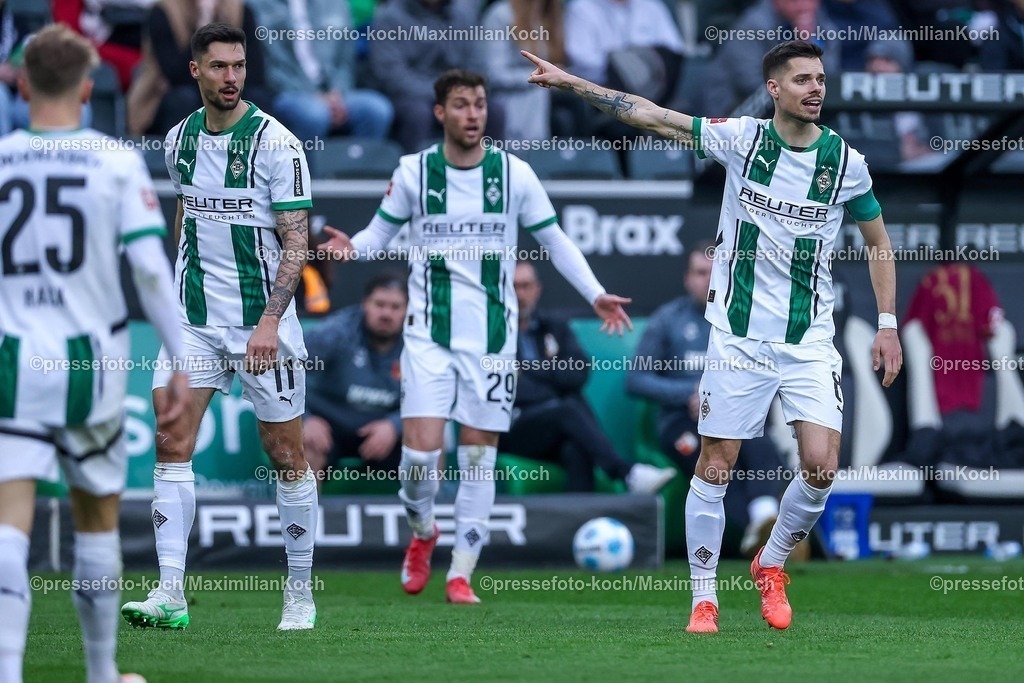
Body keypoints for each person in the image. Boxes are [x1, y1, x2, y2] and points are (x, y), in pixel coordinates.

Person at [523, 40, 902, 633]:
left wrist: (887, 324)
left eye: (820, 79)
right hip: (738, 339)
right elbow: (651, 115)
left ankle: (770, 563)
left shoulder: (845, 163)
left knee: (822, 467)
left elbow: (879, 243)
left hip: (807, 339)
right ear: (774, 89)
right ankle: (704, 598)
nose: (816, 88)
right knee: (717, 464)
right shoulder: (742, 139)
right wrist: (573, 83)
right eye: (802, 79)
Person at [319, 69, 633, 604]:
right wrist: (354, 247)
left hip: (492, 340)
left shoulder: (513, 174)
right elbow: (379, 233)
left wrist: (595, 293)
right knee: (420, 460)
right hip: (428, 337)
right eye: (462, 104)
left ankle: (461, 573)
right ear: (440, 112)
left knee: (477, 457)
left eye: (480, 104)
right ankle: (423, 531)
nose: (473, 114)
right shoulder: (415, 171)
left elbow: (555, 240)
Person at [0, 24, 188, 683]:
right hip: (91, 365)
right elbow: (151, 272)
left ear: (22, 86)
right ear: (88, 88)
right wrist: (180, 361)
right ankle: (102, 674)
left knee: (8, 526)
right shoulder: (114, 161)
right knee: (97, 521)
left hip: (13, 363)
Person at [119, 22, 319, 631]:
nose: (232, 77)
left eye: (239, 66)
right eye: (219, 66)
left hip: (262, 324)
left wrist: (269, 322)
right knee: (170, 441)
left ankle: (300, 593)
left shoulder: (277, 145)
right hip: (195, 321)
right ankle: (170, 593)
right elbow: (186, 214)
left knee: (285, 454)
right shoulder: (178, 139)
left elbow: (296, 242)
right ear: (195, 71)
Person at [627, 245, 785, 557]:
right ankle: (765, 540)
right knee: (714, 463)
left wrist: (725, 393)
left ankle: (765, 520)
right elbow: (636, 379)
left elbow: (770, 373)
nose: (708, 280)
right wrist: (689, 392)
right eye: (700, 272)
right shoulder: (667, 320)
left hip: (735, 415)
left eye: (715, 272)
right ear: (687, 278)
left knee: (763, 447)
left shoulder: (745, 321)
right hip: (681, 424)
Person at [500, 262, 676, 493]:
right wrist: (553, 380)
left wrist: (529, 369)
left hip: (552, 429)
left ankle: (580, 514)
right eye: (514, 287)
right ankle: (625, 473)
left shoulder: (555, 327)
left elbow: (577, 374)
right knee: (568, 407)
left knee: (575, 447)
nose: (520, 294)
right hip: (512, 428)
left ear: (537, 289)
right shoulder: (495, 333)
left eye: (526, 286)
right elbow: (512, 390)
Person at [304, 272, 408, 482]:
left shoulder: (418, 343)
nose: (386, 313)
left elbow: (434, 398)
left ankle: (429, 505)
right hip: (329, 428)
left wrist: (395, 425)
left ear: (407, 310)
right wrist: (304, 419)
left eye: (395, 307)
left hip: (386, 431)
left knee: (429, 440)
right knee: (307, 442)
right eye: (379, 304)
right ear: (365, 304)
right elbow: (284, 370)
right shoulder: (334, 332)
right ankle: (305, 506)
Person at [249, 0, 394, 144]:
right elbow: (268, 66)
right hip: (286, 92)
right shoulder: (258, 5)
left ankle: (358, 159)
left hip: (333, 91)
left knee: (377, 110)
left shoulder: (335, 3)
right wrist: (315, 96)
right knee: (314, 115)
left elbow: (345, 58)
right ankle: (299, 159)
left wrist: (338, 93)